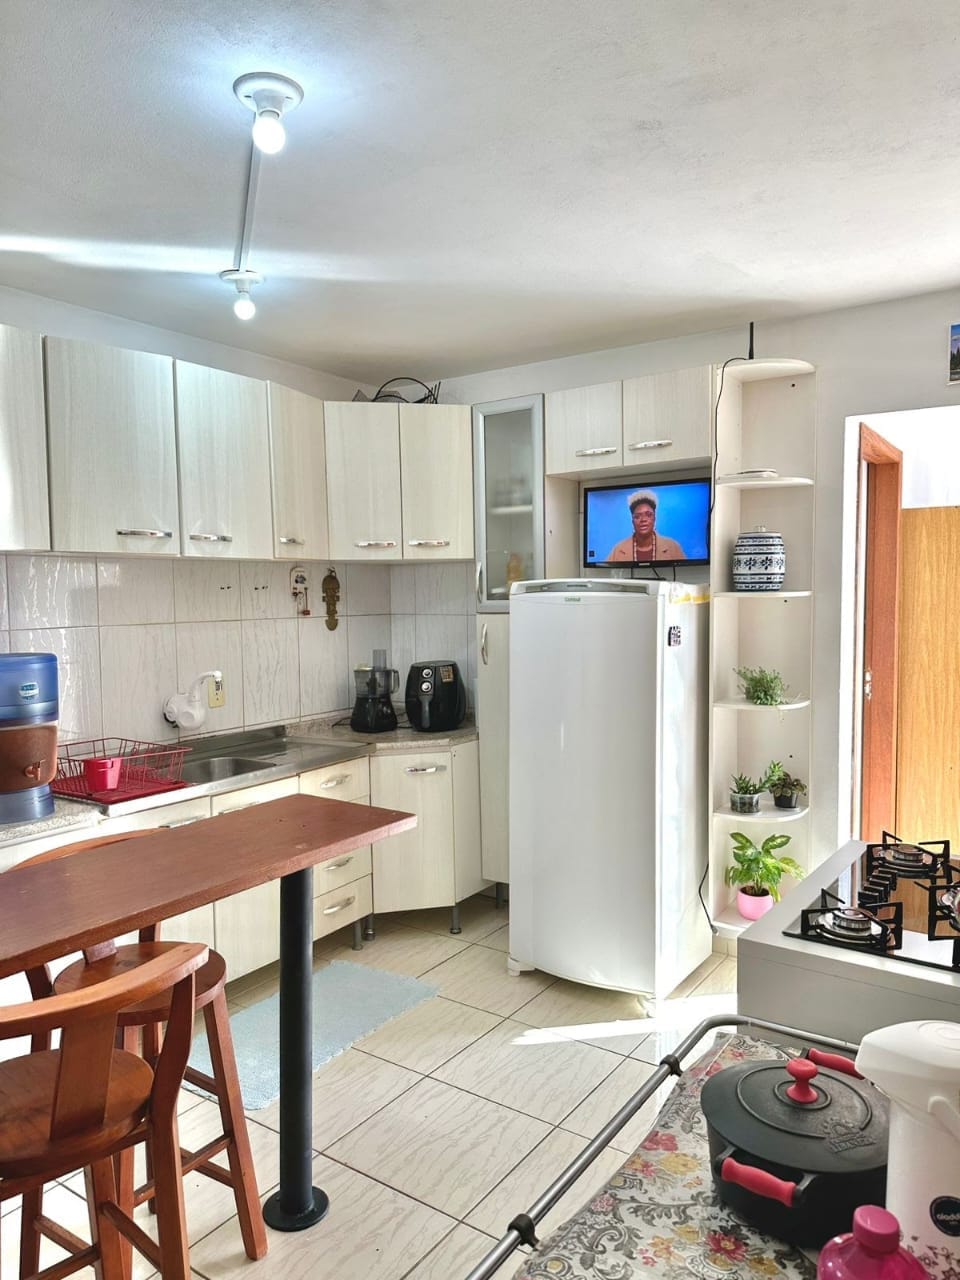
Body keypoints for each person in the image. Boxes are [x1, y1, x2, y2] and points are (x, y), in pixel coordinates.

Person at [607, 490, 686, 562]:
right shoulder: (618, 550)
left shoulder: (673, 547)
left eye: (648, 515)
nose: (643, 519)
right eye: (637, 516)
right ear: (632, 522)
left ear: (654, 518)